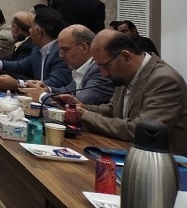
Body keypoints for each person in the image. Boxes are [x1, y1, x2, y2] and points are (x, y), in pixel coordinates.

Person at [57, 30, 187, 156]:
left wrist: (86, 116)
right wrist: (82, 108)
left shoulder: (164, 80)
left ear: (126, 57)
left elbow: (140, 131)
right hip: (127, 152)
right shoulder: (126, 73)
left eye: (105, 66)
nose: (103, 74)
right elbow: (113, 110)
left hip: (164, 164)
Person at [0, 7, 71, 92]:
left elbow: (54, 83)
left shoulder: (61, 52)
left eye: (31, 27)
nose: (29, 31)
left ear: (39, 32)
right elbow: (21, 65)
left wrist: (18, 84)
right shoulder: (37, 49)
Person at [21, 25, 114, 106]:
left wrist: (41, 96)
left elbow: (79, 102)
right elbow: (68, 91)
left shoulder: (100, 70)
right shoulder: (81, 67)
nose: (61, 56)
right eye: (60, 51)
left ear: (84, 47)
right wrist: (47, 89)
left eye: (65, 50)